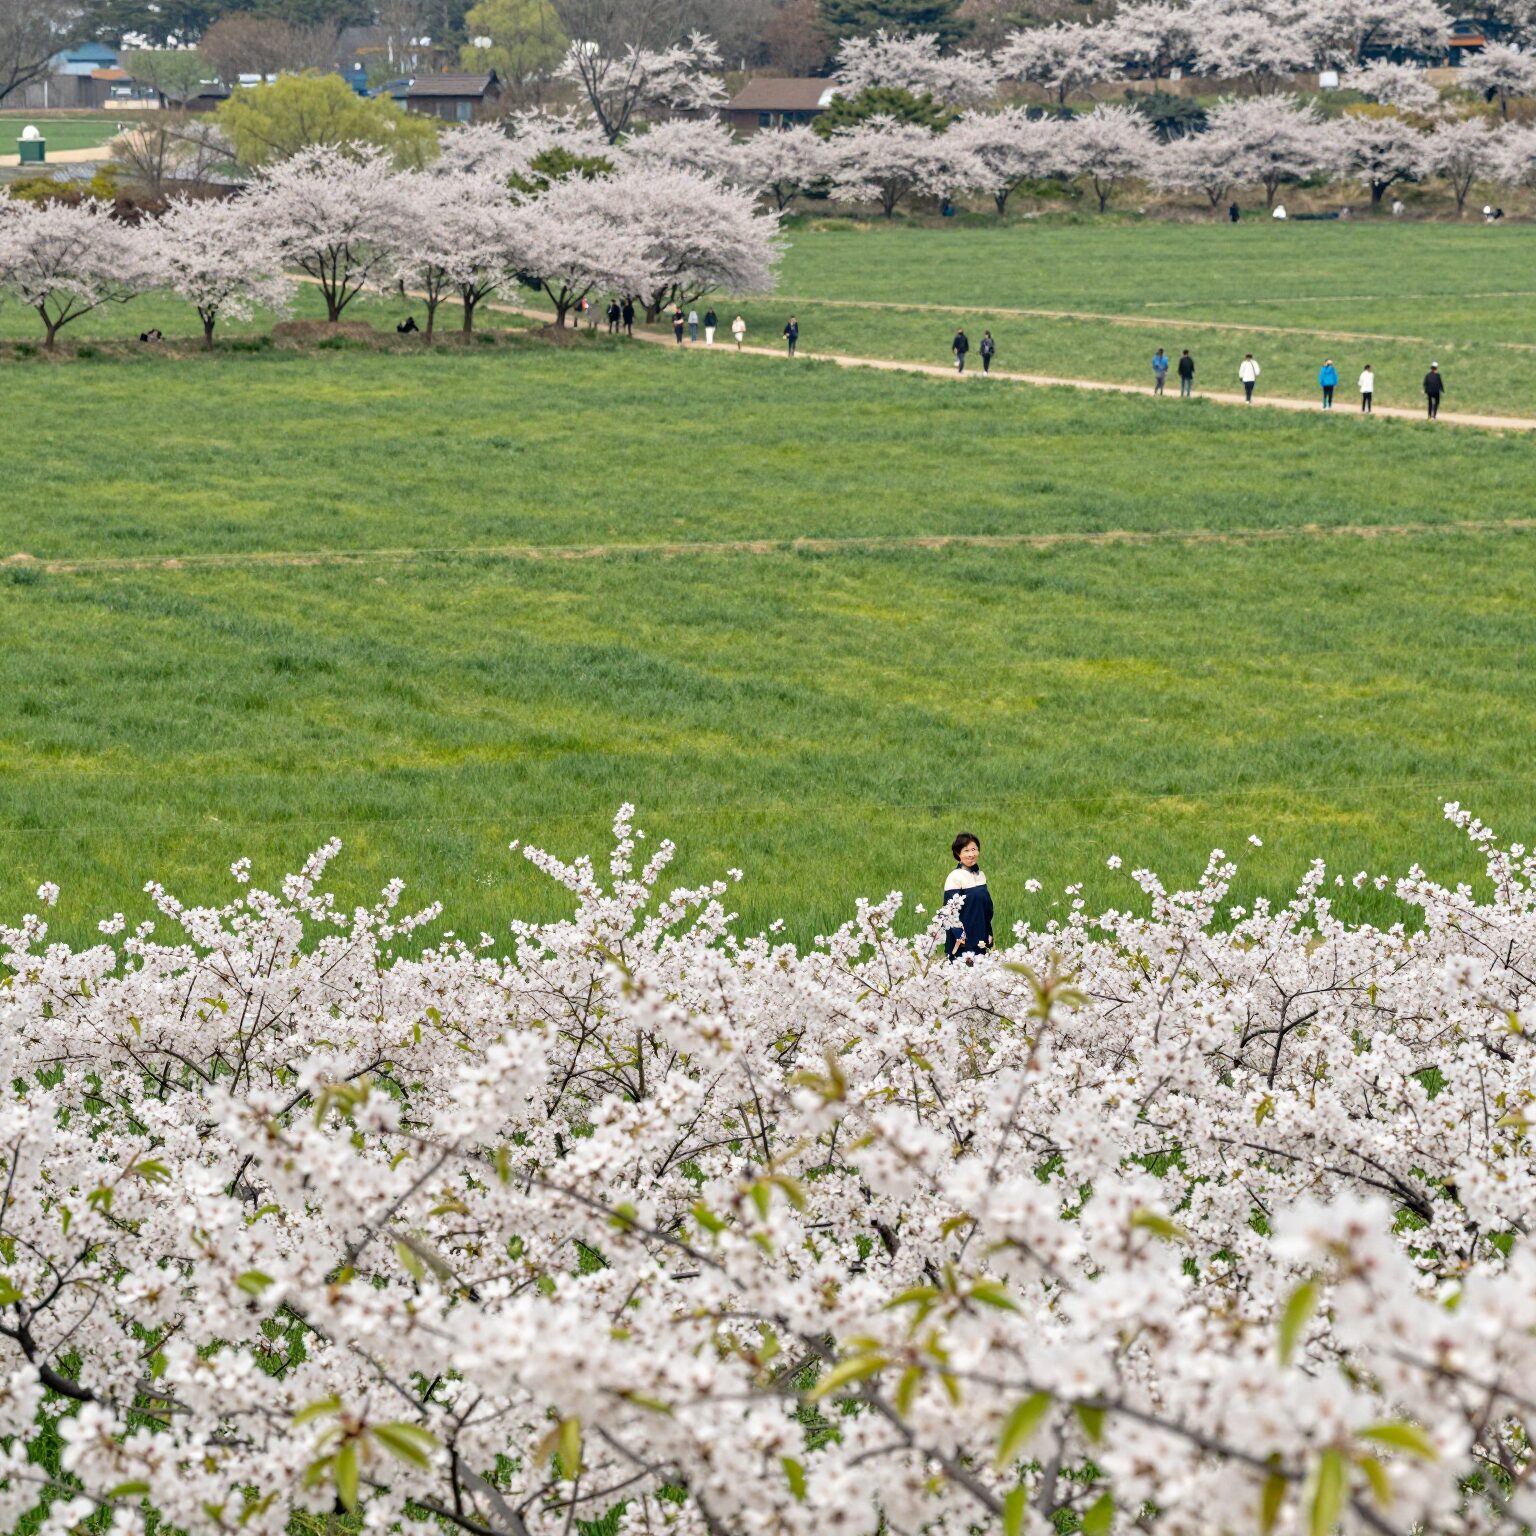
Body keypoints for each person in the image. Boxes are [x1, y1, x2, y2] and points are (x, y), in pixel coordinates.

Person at [943, 832, 994, 961]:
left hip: (981, 936)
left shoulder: (980, 875)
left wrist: (989, 932)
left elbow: (986, 909)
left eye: (974, 849)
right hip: (963, 940)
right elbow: (949, 912)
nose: (971, 854)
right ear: (958, 853)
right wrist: (960, 937)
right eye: (966, 851)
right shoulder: (955, 877)